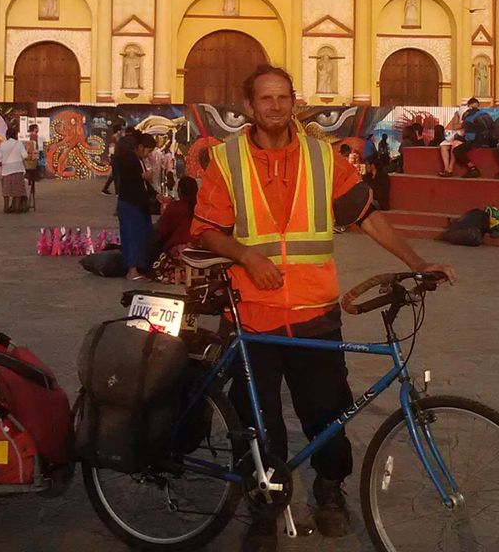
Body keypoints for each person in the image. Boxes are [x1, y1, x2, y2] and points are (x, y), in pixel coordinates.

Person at [190, 65, 456, 551]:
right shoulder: (225, 161)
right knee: (256, 420)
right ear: (249, 107)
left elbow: (366, 216)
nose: (275, 106)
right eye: (265, 98)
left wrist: (417, 261)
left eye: (283, 97)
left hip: (315, 311)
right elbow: (205, 228)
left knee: (329, 411)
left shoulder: (322, 156)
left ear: (294, 102)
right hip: (253, 315)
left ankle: (329, 490)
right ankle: (263, 508)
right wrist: (246, 255)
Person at [114, 132, 157, 281]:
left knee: (141, 236)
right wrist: (142, 176)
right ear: (140, 147)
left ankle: (139, 267)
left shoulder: (139, 160)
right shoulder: (129, 158)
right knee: (131, 236)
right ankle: (132, 270)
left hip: (138, 204)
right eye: (148, 151)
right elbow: (128, 179)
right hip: (130, 203)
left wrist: (156, 195)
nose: (148, 154)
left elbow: (145, 186)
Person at [447, 98, 493, 178]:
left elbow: (470, 137)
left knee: (457, 150)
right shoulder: (485, 114)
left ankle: (472, 168)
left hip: (478, 141)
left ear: (469, 107)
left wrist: (459, 137)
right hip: (490, 140)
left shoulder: (469, 119)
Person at [154, 175, 198, 256]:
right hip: (198, 250)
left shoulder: (174, 206)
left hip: (177, 251)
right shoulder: (201, 208)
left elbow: (162, 231)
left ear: (180, 191)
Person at [0, 125, 29, 213]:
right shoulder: (19, 144)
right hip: (18, 168)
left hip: (6, 169)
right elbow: (24, 155)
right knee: (18, 189)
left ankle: (6, 207)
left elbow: (0, 156)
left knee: (6, 189)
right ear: (15, 135)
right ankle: (17, 207)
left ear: (7, 135)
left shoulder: (3, 144)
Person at [24, 123, 41, 201]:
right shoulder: (33, 136)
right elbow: (33, 145)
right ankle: (31, 179)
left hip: (31, 152)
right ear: (34, 129)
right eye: (37, 128)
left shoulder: (30, 135)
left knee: (30, 166)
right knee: (33, 166)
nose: (38, 129)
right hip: (33, 152)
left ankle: (30, 179)